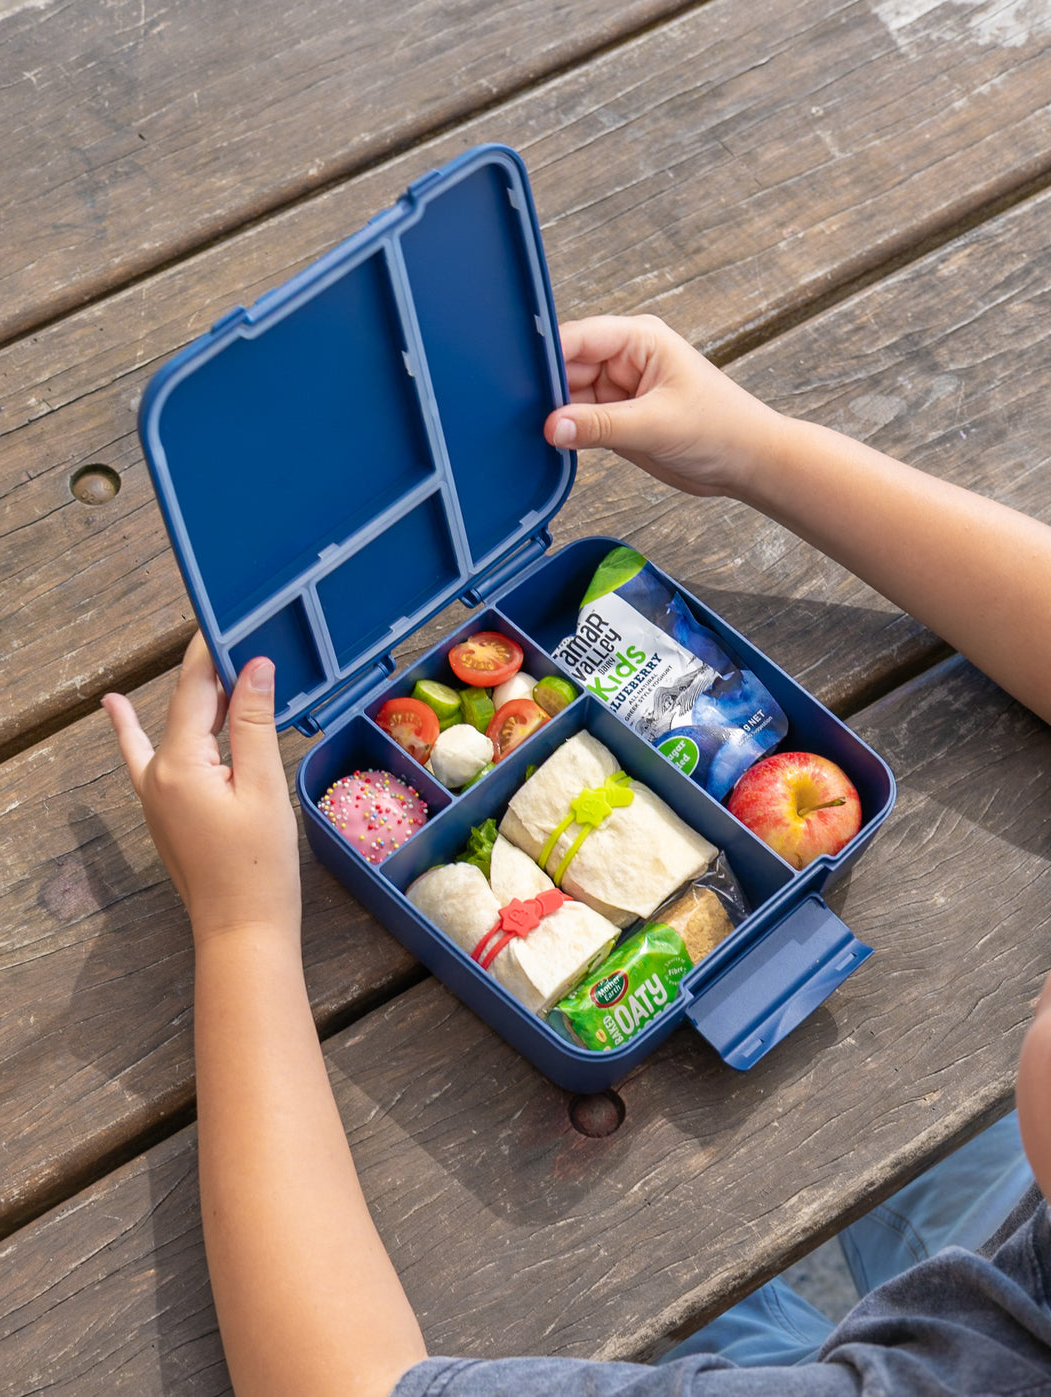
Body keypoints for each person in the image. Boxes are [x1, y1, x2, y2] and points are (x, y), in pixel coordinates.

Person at [102, 314, 1051, 1397]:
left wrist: (241, 925)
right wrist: (759, 446)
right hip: (977, 1251)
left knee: (742, 1310)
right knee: (864, 1257)